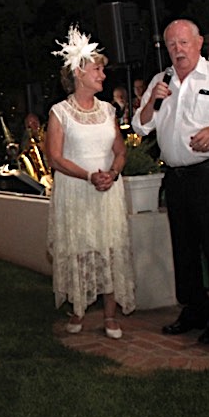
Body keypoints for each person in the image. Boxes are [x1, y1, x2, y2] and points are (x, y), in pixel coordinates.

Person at [132, 19, 209, 344]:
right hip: (175, 177)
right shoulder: (162, 80)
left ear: (199, 43)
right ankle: (194, 309)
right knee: (183, 249)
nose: (178, 49)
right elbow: (140, 127)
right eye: (172, 44)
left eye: (183, 42)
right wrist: (150, 103)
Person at [47, 25, 135, 338]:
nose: (102, 75)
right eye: (97, 69)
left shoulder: (110, 110)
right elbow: (55, 158)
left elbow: (120, 152)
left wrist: (112, 173)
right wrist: (88, 175)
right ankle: (79, 310)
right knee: (80, 249)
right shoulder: (59, 112)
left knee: (109, 247)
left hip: (107, 190)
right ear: (79, 72)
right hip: (76, 190)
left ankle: (110, 316)